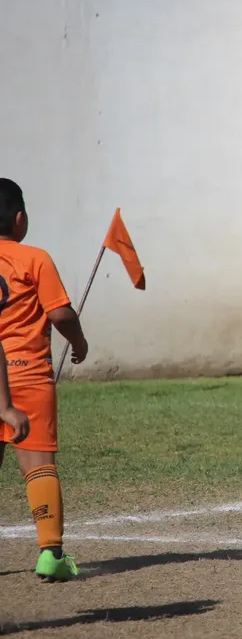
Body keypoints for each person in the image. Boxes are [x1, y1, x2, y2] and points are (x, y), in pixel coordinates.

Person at [0, 177, 89, 582]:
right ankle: (50, 552)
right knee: (38, 464)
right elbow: (59, 313)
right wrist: (79, 339)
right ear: (20, 219)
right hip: (27, 373)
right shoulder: (35, 258)